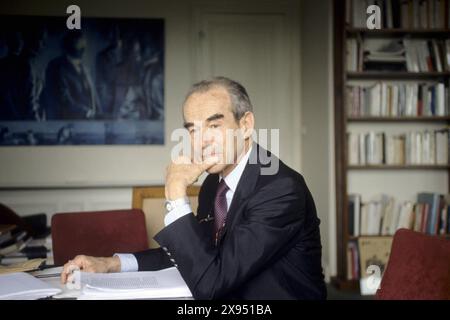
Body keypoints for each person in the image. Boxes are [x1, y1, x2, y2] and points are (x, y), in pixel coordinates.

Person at [61, 77, 327, 299]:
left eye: (214, 125)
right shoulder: (214, 184)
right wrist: (110, 264)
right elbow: (195, 254)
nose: (201, 142)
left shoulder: (280, 189)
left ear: (245, 125)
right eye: (192, 130)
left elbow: (212, 283)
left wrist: (176, 195)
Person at [40, 30, 98, 120]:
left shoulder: (85, 69)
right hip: (64, 124)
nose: (84, 45)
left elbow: (92, 96)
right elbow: (62, 99)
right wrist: (86, 112)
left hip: (87, 124)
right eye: (79, 41)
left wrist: (97, 115)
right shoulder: (56, 67)